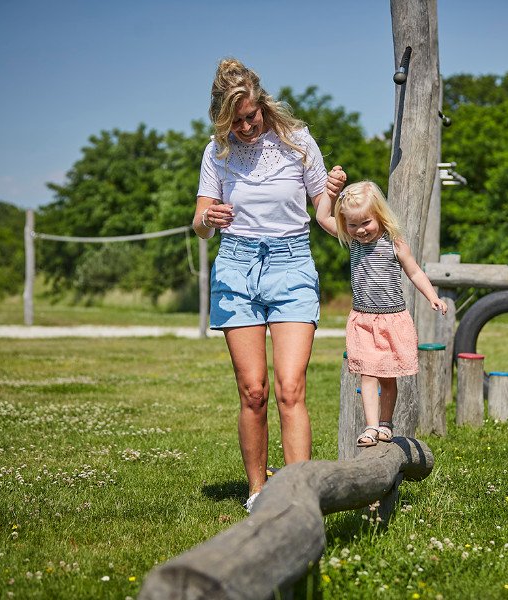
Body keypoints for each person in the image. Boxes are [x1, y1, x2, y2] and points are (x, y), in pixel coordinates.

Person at [192, 58, 347, 512]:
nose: (245, 126)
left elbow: (322, 212)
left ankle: (299, 495)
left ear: (263, 105)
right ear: (222, 117)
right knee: (253, 390)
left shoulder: (298, 143)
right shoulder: (216, 153)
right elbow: (200, 222)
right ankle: (258, 492)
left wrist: (337, 201)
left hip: (291, 264)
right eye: (235, 119)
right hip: (237, 267)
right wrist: (208, 218)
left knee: (290, 387)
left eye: (251, 115)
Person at [315, 181, 447, 447]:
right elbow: (320, 217)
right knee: (368, 373)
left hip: (391, 319)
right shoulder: (352, 241)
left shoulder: (394, 245)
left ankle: (386, 424)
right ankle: (371, 426)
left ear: (379, 216)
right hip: (363, 320)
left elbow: (415, 272)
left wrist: (432, 296)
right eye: (352, 225)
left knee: (388, 378)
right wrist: (329, 194)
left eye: (366, 222)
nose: (360, 230)